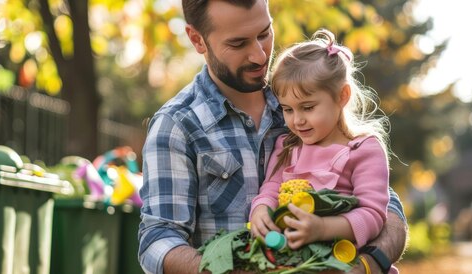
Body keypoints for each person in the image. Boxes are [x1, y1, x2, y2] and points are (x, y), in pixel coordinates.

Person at [138, 1, 408, 273]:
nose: (258, 55)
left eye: (264, 33)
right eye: (238, 43)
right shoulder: (177, 125)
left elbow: (385, 207)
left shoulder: (303, 94)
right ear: (197, 40)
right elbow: (158, 240)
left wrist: (367, 265)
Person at [249, 28, 397, 272]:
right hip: (298, 263)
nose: (297, 120)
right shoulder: (287, 146)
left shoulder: (363, 150)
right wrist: (261, 209)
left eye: (307, 107)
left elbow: (373, 214)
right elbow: (272, 187)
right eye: (288, 109)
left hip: (346, 263)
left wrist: (323, 228)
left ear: (342, 96)